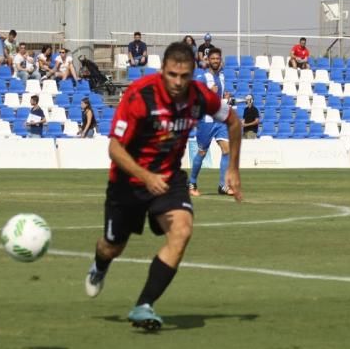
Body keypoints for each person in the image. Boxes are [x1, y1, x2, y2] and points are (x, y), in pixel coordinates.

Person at [82, 41, 243, 331]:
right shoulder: (139, 95)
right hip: (128, 182)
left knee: (182, 231)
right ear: (163, 71)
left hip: (169, 178)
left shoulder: (198, 96)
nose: (179, 82)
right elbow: (115, 149)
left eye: (184, 76)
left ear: (193, 72)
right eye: (172, 75)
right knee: (112, 247)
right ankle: (99, 267)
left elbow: (233, 122)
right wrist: (145, 176)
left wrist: (233, 168)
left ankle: (144, 305)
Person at [189, 47, 234, 196]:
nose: (215, 61)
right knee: (202, 152)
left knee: (227, 149)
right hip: (206, 121)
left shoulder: (222, 77)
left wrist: (225, 98)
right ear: (208, 60)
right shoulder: (202, 78)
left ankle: (223, 186)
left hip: (219, 120)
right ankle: (192, 184)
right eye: (213, 58)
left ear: (220, 60)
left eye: (218, 58)